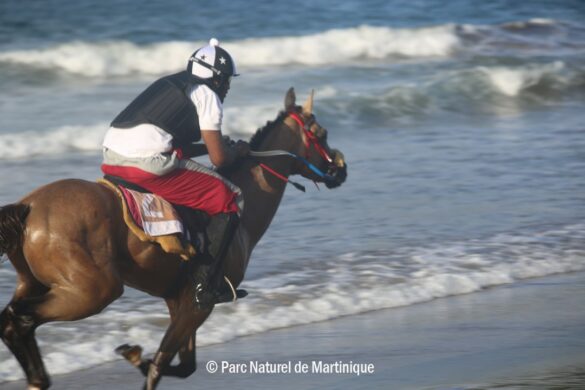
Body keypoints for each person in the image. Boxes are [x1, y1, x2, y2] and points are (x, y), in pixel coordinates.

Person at [101, 38, 249, 308]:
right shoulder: (208, 96)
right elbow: (219, 159)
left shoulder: (170, 83)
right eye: (226, 80)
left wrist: (210, 147)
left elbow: (170, 141)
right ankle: (206, 285)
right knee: (231, 196)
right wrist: (235, 153)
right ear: (216, 79)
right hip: (146, 165)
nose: (227, 87)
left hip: (112, 157)